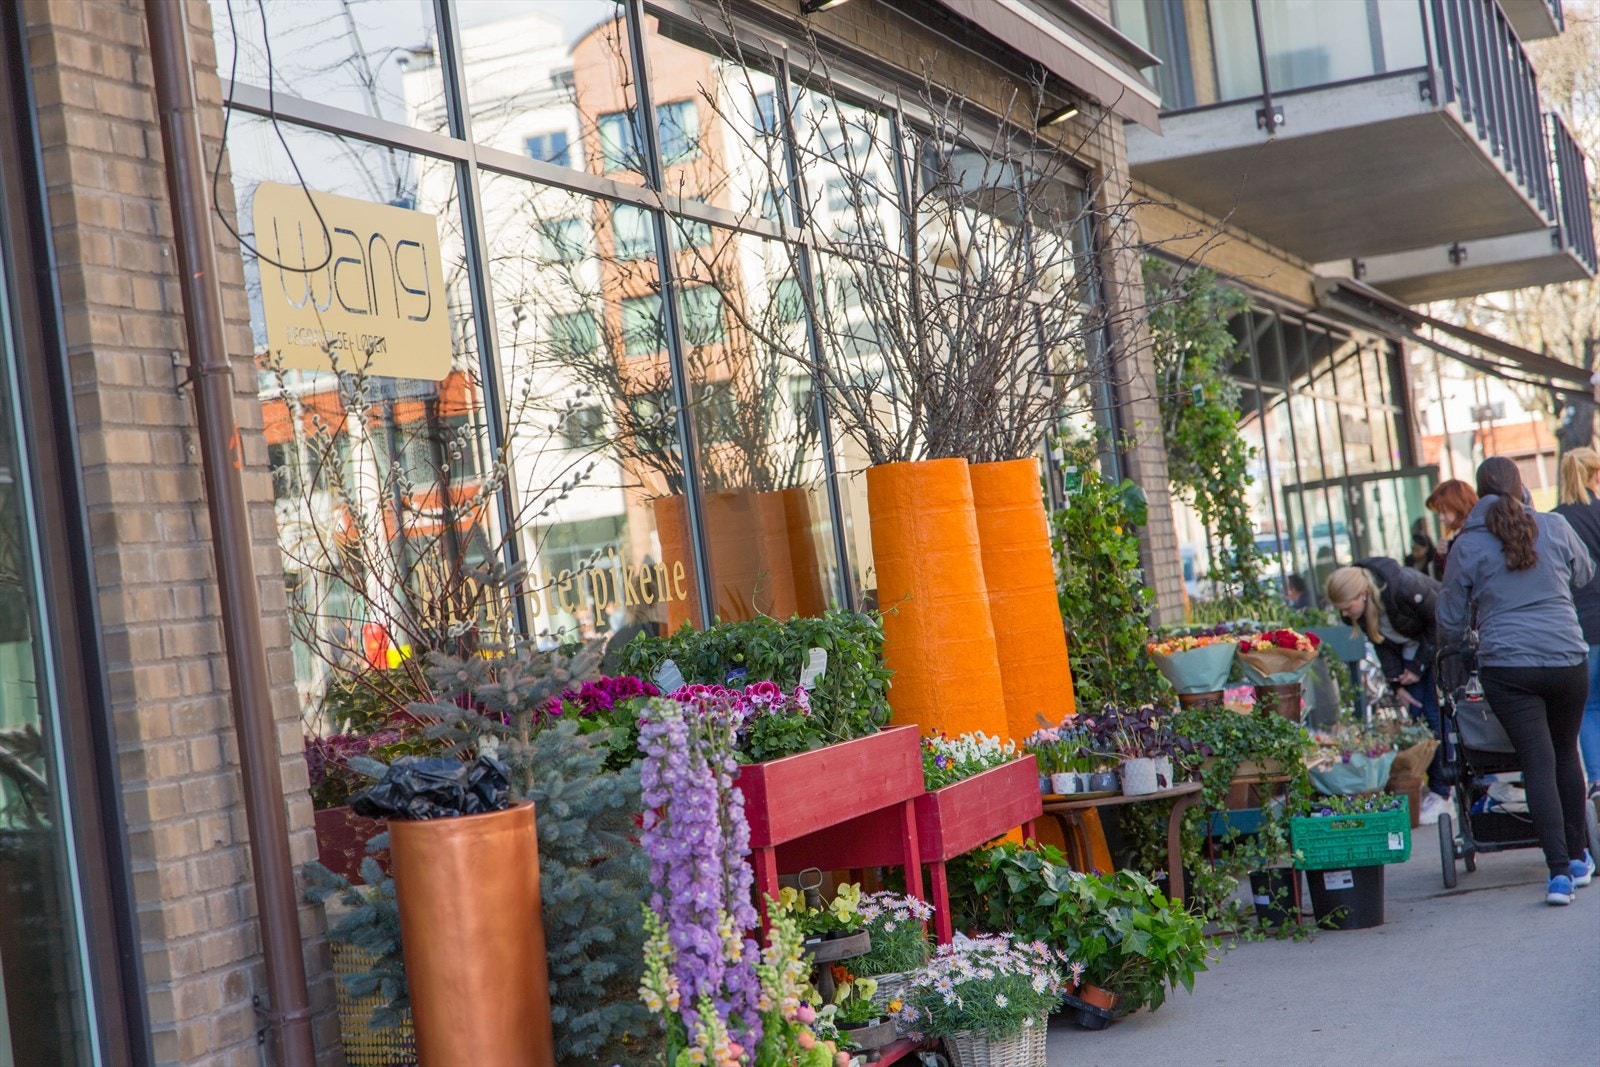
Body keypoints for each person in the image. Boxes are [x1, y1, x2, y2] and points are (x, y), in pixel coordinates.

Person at [1438, 456, 1597, 905]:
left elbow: (1449, 616)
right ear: (1521, 485)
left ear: (1478, 492)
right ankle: (1581, 856)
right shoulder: (1554, 527)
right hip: (1567, 656)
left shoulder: (1466, 545)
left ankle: (1559, 875)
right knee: (1566, 754)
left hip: (1507, 665)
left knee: (1536, 760)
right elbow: (1584, 573)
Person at [1326, 558, 1450, 824]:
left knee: (1435, 717)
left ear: (1362, 594)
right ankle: (1443, 788)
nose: (1346, 615)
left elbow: (1440, 620)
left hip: (1440, 648)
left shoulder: (1403, 586)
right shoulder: (1363, 609)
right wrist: (1397, 683)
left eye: (1348, 608)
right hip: (1413, 655)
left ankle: (1444, 793)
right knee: (1420, 720)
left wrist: (1418, 666)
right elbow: (1380, 642)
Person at [1551, 446, 1600, 801]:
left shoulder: (1553, 521)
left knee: (1590, 707)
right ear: (1593, 475)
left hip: (1580, 628)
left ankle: (1598, 782)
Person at [1426, 479, 1479, 574]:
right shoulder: (1468, 533)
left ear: (1459, 507)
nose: (1441, 518)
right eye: (1438, 512)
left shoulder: (1468, 538)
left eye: (1444, 512)